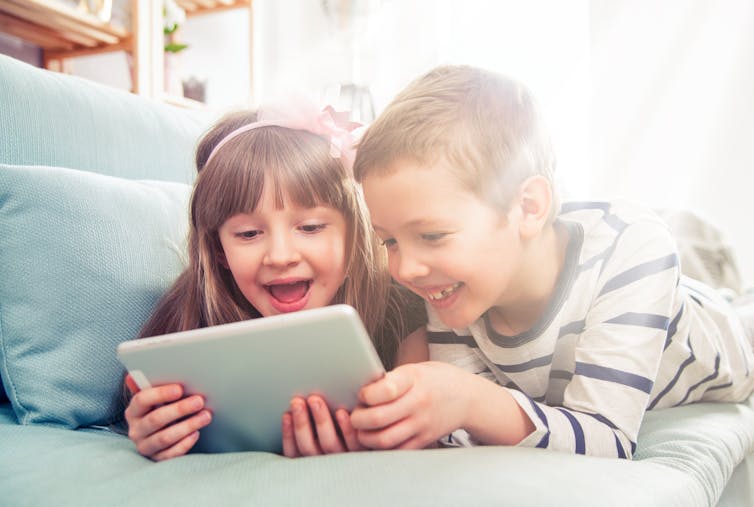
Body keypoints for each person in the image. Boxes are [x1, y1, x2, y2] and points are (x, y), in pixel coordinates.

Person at [348, 64, 754, 458]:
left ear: (528, 207)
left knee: (723, 286)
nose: (405, 270)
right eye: (389, 242)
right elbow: (468, 436)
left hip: (727, 340)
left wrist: (470, 399)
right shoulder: (452, 287)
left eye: (432, 236)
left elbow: (606, 438)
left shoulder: (630, 250)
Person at [123, 102, 424, 461]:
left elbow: (427, 437)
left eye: (310, 227)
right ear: (219, 250)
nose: (280, 256)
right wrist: (149, 425)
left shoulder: (403, 313)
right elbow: (142, 406)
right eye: (249, 233)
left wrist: (384, 439)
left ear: (355, 233)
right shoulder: (189, 316)